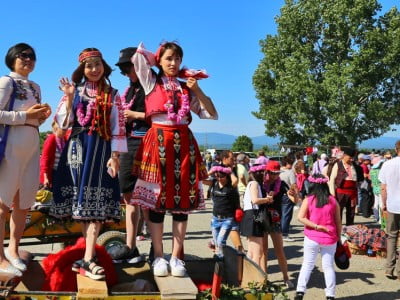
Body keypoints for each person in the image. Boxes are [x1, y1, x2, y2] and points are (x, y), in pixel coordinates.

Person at [130, 42, 218, 277]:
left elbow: (211, 114)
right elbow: (138, 57)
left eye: (177, 59)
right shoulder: (150, 82)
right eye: (168, 58)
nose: (173, 63)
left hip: (183, 144)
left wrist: (196, 89)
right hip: (158, 140)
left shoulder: (186, 89)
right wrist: (157, 55)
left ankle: (177, 257)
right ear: (159, 61)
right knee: (156, 202)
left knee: (183, 204)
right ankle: (159, 256)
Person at [50, 48, 127, 280]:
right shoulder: (75, 92)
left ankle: (87, 258)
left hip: (100, 151)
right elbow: (63, 123)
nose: (94, 69)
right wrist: (71, 96)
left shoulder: (113, 94)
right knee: (83, 210)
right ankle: (88, 257)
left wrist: (115, 157)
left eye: (97, 64)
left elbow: (117, 127)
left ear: (104, 66)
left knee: (96, 209)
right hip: (77, 151)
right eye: (89, 66)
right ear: (82, 70)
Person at [0, 43, 51, 276]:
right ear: (12, 59)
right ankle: (0, 257)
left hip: (31, 145)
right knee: (2, 205)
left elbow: (33, 120)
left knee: (23, 203)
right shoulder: (6, 82)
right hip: (10, 146)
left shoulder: (36, 87)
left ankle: (14, 249)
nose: (28, 59)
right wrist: (25, 115)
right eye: (23, 56)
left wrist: (40, 117)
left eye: (32, 56)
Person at [109, 47, 151, 264]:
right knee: (128, 196)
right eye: (123, 69)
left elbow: (164, 114)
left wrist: (134, 114)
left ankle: (157, 248)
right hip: (128, 144)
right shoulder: (129, 90)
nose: (126, 73)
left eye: (128, 67)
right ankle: (131, 246)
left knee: (150, 196)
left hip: (147, 142)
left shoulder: (152, 85)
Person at [295, 174, 342, 300]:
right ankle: (330, 295)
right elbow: (338, 222)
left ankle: (300, 292)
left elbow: (300, 217)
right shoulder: (333, 200)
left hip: (311, 237)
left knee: (307, 264)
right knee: (328, 266)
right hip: (330, 237)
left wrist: (316, 226)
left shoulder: (308, 199)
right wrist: (339, 238)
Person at [262, 160, 294, 288]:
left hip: (275, 218)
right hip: (261, 218)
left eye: (277, 173)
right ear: (267, 172)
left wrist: (294, 195)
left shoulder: (281, 184)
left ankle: (286, 278)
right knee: (263, 251)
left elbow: (293, 198)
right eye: (272, 173)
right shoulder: (260, 183)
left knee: (279, 250)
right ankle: (263, 279)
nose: (275, 176)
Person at [203, 164, 240, 259]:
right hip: (215, 218)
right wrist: (212, 171)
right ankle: (218, 258)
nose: (219, 178)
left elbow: (236, 180)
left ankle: (221, 260)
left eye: (222, 176)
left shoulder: (231, 185)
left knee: (220, 242)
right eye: (217, 176)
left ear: (227, 175)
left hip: (227, 219)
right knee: (216, 243)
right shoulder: (214, 182)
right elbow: (201, 179)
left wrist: (229, 171)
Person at [240, 164, 271, 272]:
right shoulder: (254, 183)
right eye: (264, 173)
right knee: (257, 252)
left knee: (252, 251)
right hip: (253, 215)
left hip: (250, 216)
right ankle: (255, 279)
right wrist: (267, 199)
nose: (265, 175)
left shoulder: (250, 183)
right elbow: (255, 200)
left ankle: (248, 277)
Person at [378, 140, 400, 280]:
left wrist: (383, 204)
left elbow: (383, 188)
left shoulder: (387, 164)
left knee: (391, 237)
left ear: (396, 149)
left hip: (392, 205)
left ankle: (389, 268)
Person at [328, 147, 363, 225]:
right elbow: (332, 180)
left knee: (351, 212)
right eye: (350, 158)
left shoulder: (355, 166)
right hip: (340, 192)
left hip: (352, 193)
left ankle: (349, 228)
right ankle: (337, 228)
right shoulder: (338, 165)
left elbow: (358, 179)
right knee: (338, 211)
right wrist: (332, 194)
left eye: (352, 158)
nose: (351, 160)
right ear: (344, 155)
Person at [39, 121, 70, 188]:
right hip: (51, 174)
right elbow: (45, 159)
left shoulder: (64, 140)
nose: (65, 131)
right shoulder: (51, 139)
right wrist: (45, 177)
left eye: (66, 129)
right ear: (56, 128)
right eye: (63, 129)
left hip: (61, 173)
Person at [279, 156, 299, 242]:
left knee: (280, 215)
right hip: (288, 195)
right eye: (291, 163)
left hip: (278, 195)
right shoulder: (290, 173)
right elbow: (293, 185)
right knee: (286, 215)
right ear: (287, 164)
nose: (292, 165)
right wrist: (297, 194)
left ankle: (279, 233)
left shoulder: (278, 171)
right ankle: (284, 234)